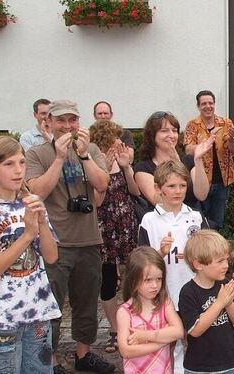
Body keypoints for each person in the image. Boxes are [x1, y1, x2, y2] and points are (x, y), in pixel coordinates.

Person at [24, 100, 114, 374]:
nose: (67, 126)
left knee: (87, 303)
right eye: (61, 121)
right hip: (56, 243)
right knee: (51, 307)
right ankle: (50, 361)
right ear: (48, 122)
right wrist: (60, 157)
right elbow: (36, 190)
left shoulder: (92, 149)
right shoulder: (37, 154)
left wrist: (84, 156)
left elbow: (101, 184)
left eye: (72, 120)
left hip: (88, 240)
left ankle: (83, 354)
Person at [0, 136, 60, 374]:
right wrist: (26, 235)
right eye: (9, 164)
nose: (18, 170)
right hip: (2, 317)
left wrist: (42, 223)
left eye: (22, 163)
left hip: (39, 312)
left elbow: (51, 256)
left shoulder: (31, 202)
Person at [138, 160, 208, 374]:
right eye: (171, 186)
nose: (178, 191)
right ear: (158, 189)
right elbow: (141, 262)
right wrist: (160, 253)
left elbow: (210, 253)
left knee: (196, 339)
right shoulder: (149, 220)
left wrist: (193, 255)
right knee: (171, 343)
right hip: (166, 293)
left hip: (195, 292)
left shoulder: (195, 217)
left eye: (182, 186)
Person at [89, 120, 140, 354]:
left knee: (133, 274)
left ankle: (135, 322)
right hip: (105, 226)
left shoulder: (122, 161)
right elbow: (96, 201)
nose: (119, 143)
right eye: (114, 139)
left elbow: (135, 191)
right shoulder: (93, 164)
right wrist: (106, 165)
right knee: (108, 278)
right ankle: (114, 330)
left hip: (126, 222)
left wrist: (126, 167)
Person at [179, 230, 234, 374]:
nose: (226, 266)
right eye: (219, 261)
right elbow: (195, 330)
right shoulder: (188, 292)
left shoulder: (225, 284)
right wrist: (219, 303)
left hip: (228, 362)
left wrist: (228, 303)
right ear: (198, 265)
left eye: (226, 260)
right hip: (199, 367)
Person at [116, 246, 185, 374]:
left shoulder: (165, 303)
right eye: (148, 280)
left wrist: (145, 336)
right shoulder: (124, 312)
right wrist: (162, 341)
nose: (155, 285)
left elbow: (179, 331)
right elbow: (126, 351)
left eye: (159, 279)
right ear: (133, 280)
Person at [183, 90, 234, 230]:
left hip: (222, 180)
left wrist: (232, 140)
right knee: (199, 220)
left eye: (211, 103)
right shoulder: (192, 125)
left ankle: (215, 249)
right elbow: (188, 150)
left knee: (217, 222)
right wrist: (208, 142)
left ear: (214, 104)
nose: (208, 106)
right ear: (198, 106)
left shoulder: (226, 123)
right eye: (204, 104)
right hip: (201, 180)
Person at [134, 111, 211, 212]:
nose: (171, 135)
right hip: (162, 223)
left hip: (192, 221)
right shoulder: (143, 168)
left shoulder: (189, 160)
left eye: (174, 131)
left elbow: (202, 195)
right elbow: (159, 202)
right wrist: (177, 167)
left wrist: (198, 160)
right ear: (152, 135)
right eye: (164, 131)